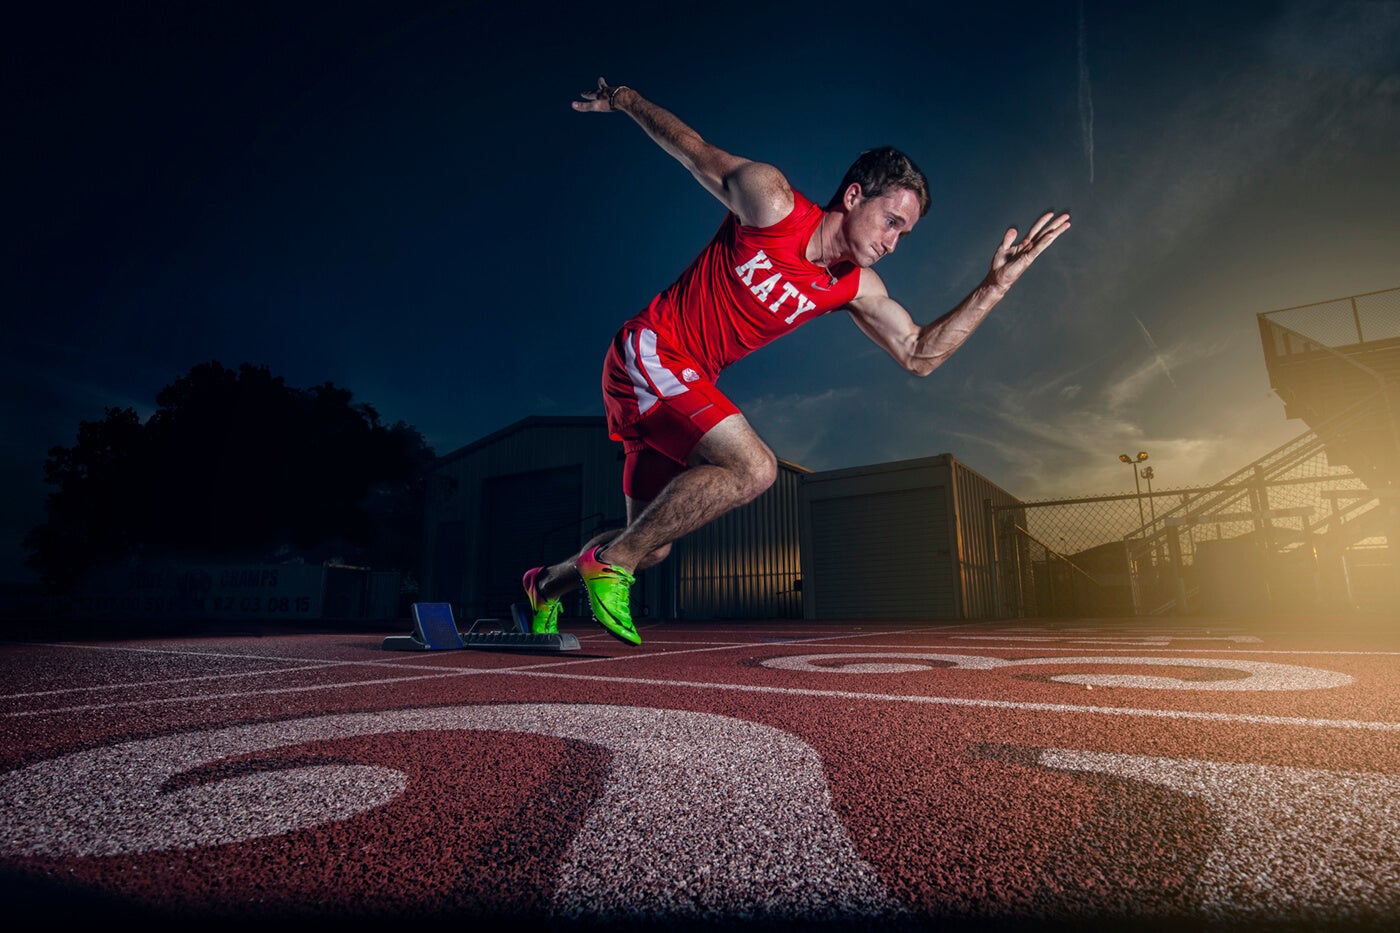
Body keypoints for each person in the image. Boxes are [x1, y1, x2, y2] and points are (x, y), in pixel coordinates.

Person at [521, 77, 1071, 645]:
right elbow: (691, 149)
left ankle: (548, 584)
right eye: (891, 221)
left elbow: (919, 355)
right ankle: (612, 566)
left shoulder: (854, 286)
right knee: (755, 469)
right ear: (854, 197)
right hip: (651, 350)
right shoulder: (771, 202)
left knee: (653, 542)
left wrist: (996, 286)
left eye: (904, 233)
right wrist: (625, 100)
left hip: (677, 386)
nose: (893, 242)